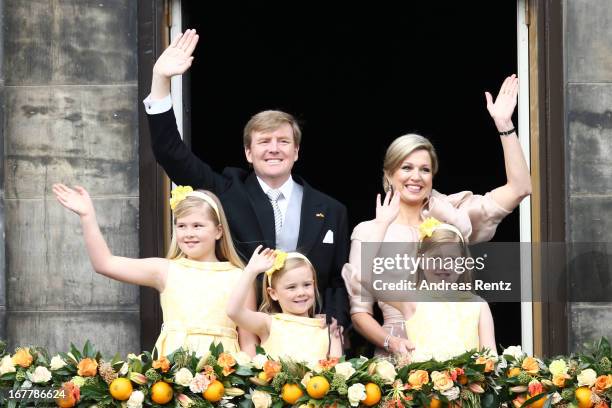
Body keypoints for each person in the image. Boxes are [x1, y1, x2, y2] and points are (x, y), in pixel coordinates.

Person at [143, 29, 349, 328]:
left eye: (283, 141)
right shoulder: (226, 191)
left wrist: (336, 326)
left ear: (297, 151)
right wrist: (160, 80)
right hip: (242, 336)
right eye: (264, 142)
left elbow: (337, 284)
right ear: (249, 153)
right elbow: (170, 152)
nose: (274, 149)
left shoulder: (331, 210)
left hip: (310, 339)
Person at [342, 74, 531, 356]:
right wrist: (392, 343)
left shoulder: (451, 216)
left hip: (454, 348)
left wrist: (504, 125)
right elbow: (359, 311)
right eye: (406, 168)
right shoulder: (370, 229)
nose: (416, 177)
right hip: (399, 353)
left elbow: (520, 187)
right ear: (390, 173)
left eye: (425, 169)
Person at [53, 183, 257, 356]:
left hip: (224, 372)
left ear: (218, 231)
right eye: (181, 225)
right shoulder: (166, 270)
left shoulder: (239, 276)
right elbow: (105, 263)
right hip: (174, 370)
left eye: (198, 225)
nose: (188, 233)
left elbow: (248, 342)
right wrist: (87, 216)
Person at [380, 213, 496, 362]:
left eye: (452, 259)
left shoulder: (479, 305)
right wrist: (381, 225)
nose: (443, 266)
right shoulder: (411, 301)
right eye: (435, 259)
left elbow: (490, 359)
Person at [226, 248, 342, 364]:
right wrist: (251, 271)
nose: (301, 292)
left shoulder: (326, 328)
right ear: (273, 293)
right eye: (291, 287)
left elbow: (336, 370)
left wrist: (335, 336)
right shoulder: (268, 323)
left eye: (307, 284)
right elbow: (233, 311)